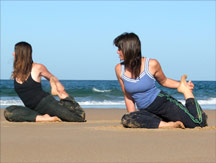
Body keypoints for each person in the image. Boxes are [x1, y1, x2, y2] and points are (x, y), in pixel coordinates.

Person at [114, 32, 207, 129]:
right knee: (126, 118)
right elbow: (127, 95)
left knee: (198, 123)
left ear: (129, 48)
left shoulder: (151, 64)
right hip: (146, 111)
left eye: (119, 49)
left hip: (162, 103)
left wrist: (181, 85)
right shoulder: (119, 69)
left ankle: (186, 92)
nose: (117, 52)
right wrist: (133, 116)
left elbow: (164, 81)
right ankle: (168, 125)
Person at [4, 41, 86, 122]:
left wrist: (57, 88)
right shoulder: (17, 72)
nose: (13, 54)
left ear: (21, 54)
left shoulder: (37, 67)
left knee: (78, 117)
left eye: (15, 51)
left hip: (46, 104)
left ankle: (66, 103)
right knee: (9, 112)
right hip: (32, 109)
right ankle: (42, 118)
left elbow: (52, 77)